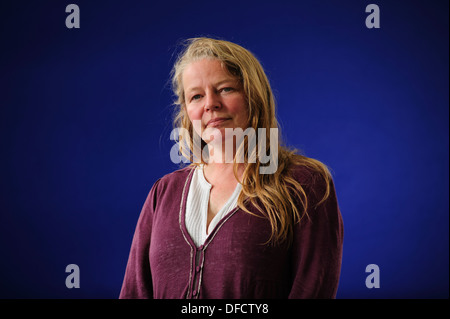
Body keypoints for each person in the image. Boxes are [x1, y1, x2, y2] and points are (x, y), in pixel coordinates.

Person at [119, 37, 344, 299]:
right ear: (186, 111)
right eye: (196, 96)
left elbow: (312, 290)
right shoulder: (163, 193)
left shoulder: (303, 184)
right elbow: (134, 292)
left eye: (225, 89)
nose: (210, 103)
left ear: (254, 96)